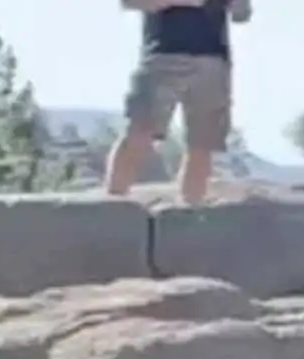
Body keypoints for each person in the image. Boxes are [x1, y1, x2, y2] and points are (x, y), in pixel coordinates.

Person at [104, 0, 252, 206]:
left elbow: (241, 14)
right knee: (139, 131)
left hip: (212, 59)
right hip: (162, 54)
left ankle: (188, 213)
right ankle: (112, 205)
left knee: (202, 144)